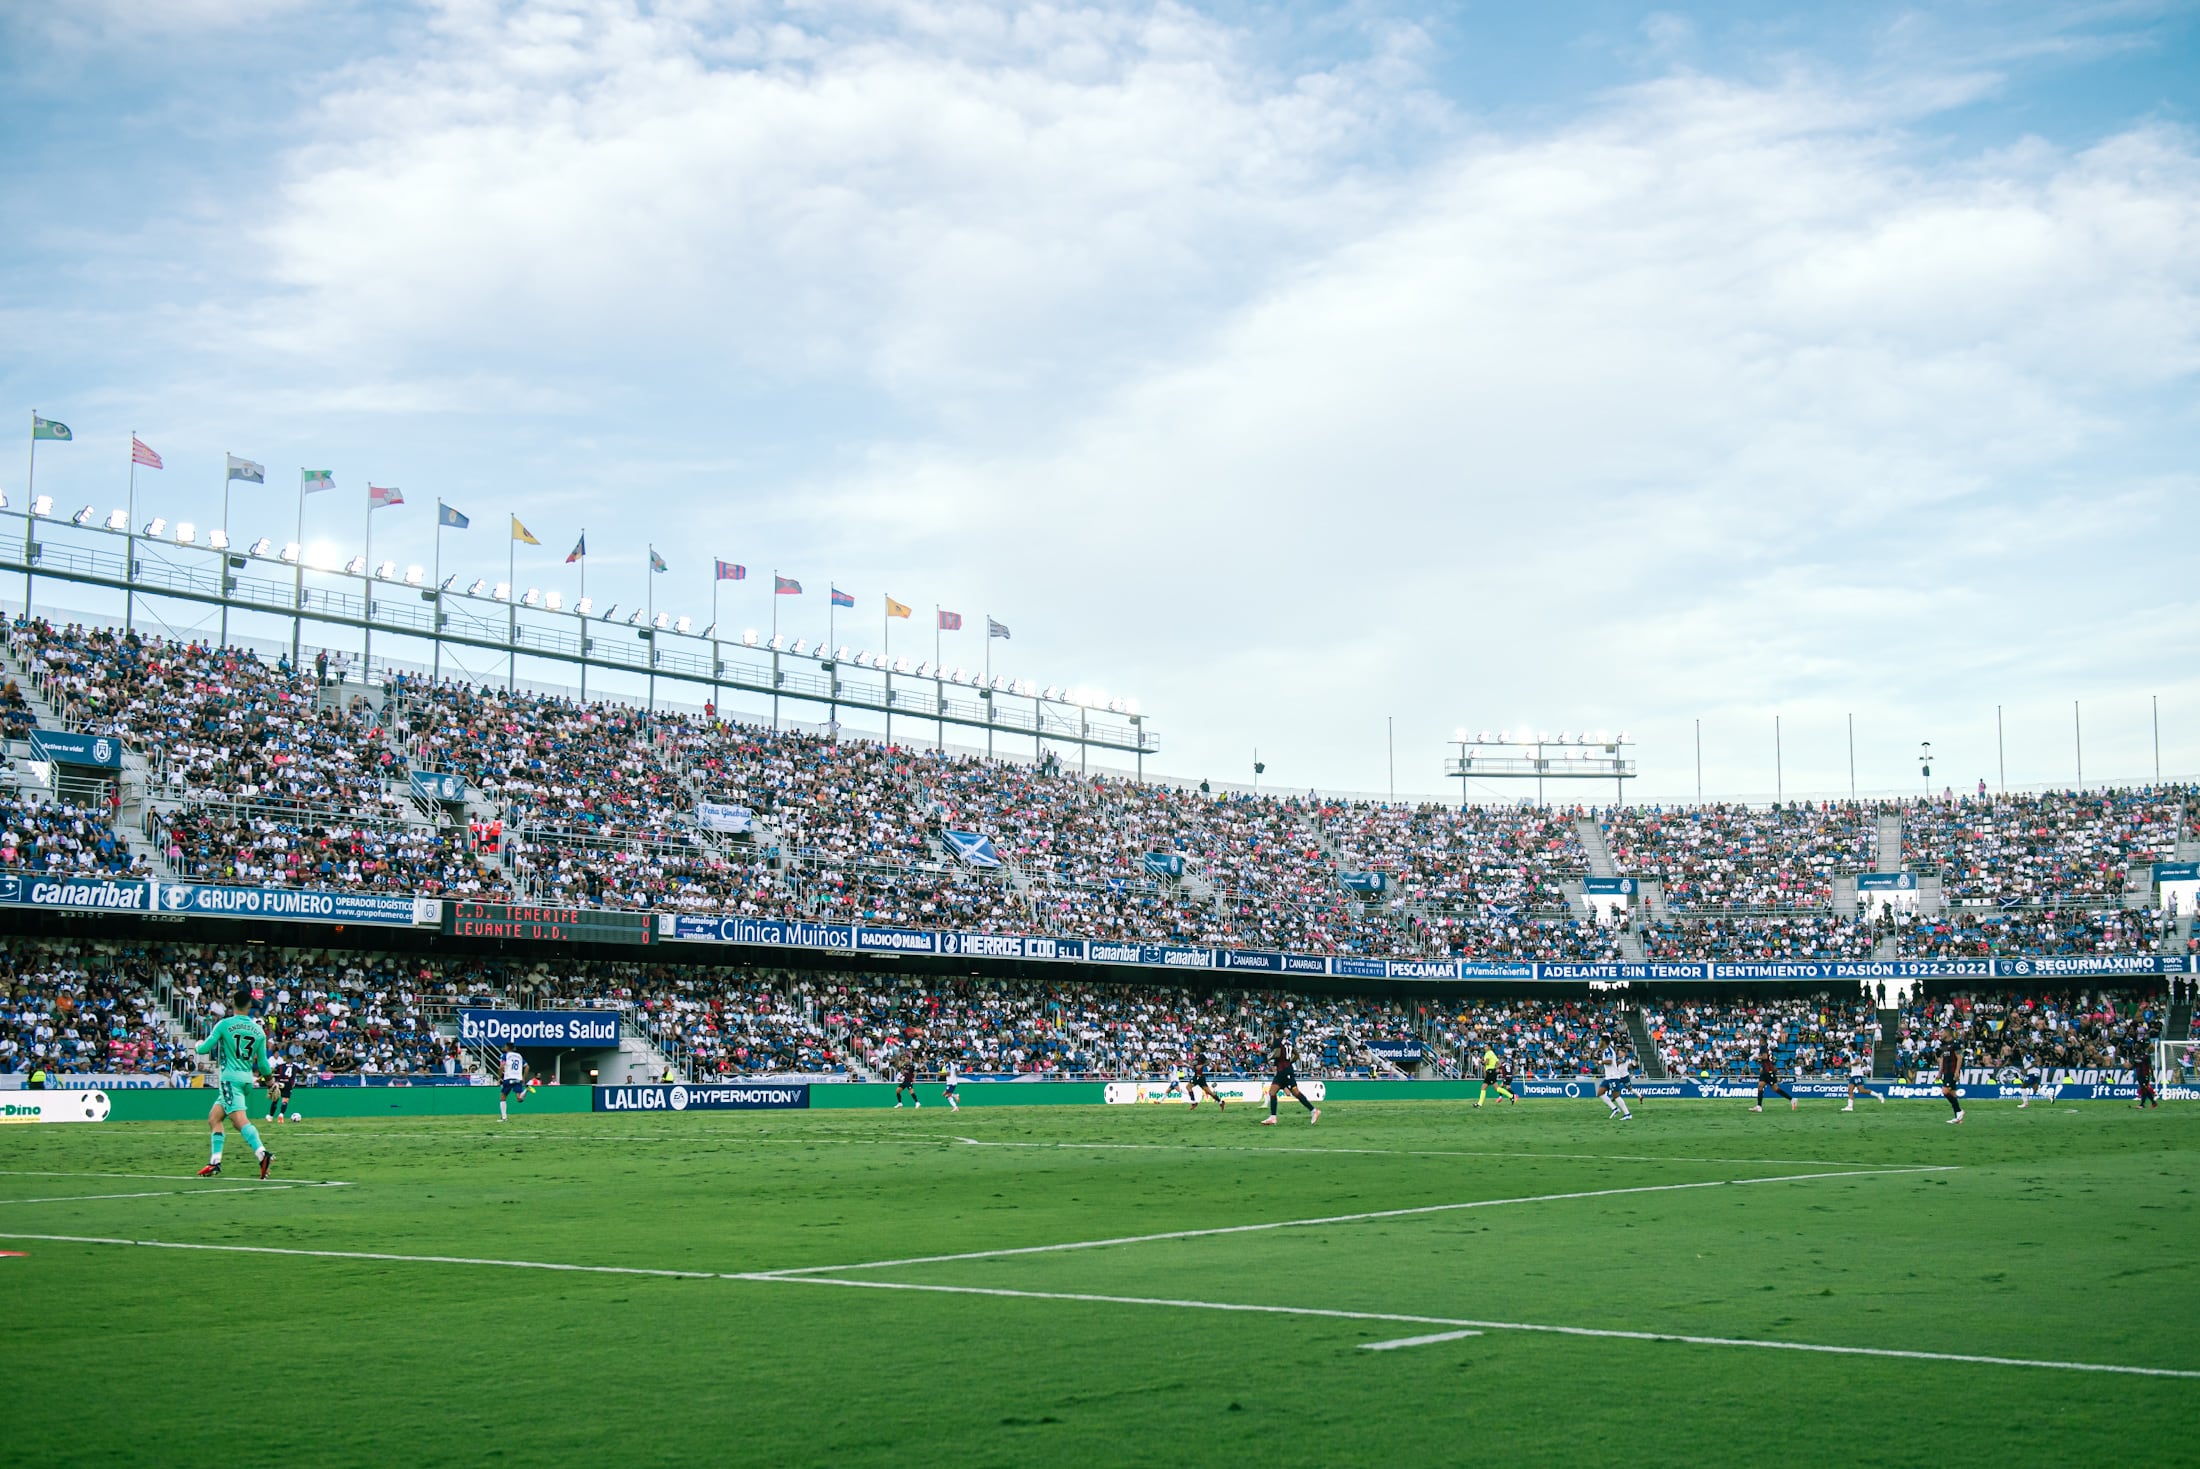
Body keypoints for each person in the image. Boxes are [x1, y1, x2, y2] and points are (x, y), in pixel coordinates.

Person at [194, 987, 274, 1179]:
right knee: (214, 1118)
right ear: (249, 1006)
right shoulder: (258, 1030)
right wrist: (270, 1082)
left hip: (230, 1080)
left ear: (232, 1004)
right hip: (246, 1079)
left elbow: (205, 1048)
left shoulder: (224, 1024)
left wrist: (197, 1045)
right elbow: (262, 1062)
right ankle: (214, 1162)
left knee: (239, 1122)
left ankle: (262, 1154)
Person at [1260, 1036, 1318, 1126]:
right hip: (1283, 1072)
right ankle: (1273, 1117)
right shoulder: (1288, 1043)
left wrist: (1267, 1058)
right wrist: (1289, 1062)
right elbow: (1296, 1055)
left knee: (1296, 1093)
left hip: (1285, 1072)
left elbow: (1276, 1053)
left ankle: (1314, 1110)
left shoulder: (1278, 1044)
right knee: (1272, 1092)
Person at [1752, 1041, 1796, 1114]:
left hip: (1769, 1071)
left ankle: (1792, 1099)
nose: (1759, 1041)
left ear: (1762, 1039)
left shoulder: (1763, 1047)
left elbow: (1765, 1057)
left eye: (1760, 1039)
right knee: (1760, 1086)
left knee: (1775, 1089)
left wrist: (1757, 1057)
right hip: (1765, 1071)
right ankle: (1759, 1106)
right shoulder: (1767, 1048)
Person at [1842, 1036, 1881, 1112]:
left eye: (1848, 1046)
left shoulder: (1854, 1053)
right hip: (1853, 1075)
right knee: (1850, 1090)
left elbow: (1858, 1061)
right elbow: (1860, 1063)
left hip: (1857, 1074)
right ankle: (1850, 1107)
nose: (1847, 1047)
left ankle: (1878, 1095)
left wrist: (1851, 1064)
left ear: (1851, 1047)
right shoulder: (1850, 1054)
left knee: (1861, 1090)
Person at [1599, 1041, 1633, 1120]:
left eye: (1601, 1041)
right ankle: (1615, 1109)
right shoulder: (1606, 1050)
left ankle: (1627, 1114)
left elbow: (1609, 1061)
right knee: (1600, 1093)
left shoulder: (1608, 1050)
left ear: (1604, 1042)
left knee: (1616, 1096)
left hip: (1613, 1076)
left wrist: (1600, 1062)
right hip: (1608, 1076)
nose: (1599, 1043)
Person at [1475, 1041, 1515, 1108]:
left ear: (1489, 1047)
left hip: (1490, 1072)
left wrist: (1481, 1061)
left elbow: (1486, 1063)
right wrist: (1494, 1069)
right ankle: (1511, 1096)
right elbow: (1499, 1064)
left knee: (1484, 1088)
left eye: (1486, 1046)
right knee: (1495, 1088)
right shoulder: (1493, 1053)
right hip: (1492, 1071)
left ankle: (1479, 1104)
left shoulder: (1487, 1053)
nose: (1485, 1047)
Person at [1186, 1045, 1225, 1110]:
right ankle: (1221, 1102)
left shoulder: (1201, 1055)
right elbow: (1195, 1066)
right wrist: (1188, 1065)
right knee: (1209, 1092)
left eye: (1195, 1047)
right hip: (1200, 1077)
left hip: (1198, 1076)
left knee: (1188, 1087)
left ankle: (1194, 1102)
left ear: (1198, 1048)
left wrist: (1201, 1065)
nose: (1193, 1048)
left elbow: (1208, 1061)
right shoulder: (1196, 1056)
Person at [1938, 1032, 1964, 1124]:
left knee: (1945, 1091)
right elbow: (1942, 1060)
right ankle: (1958, 1117)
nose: (1941, 1034)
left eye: (1942, 1032)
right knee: (1953, 1094)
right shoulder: (1943, 1045)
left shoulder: (1955, 1045)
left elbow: (1959, 1058)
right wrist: (1940, 1072)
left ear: (1948, 1033)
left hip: (1952, 1072)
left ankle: (1959, 1111)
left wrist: (1957, 1071)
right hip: (1946, 1072)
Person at [265, 1057, 298, 1122]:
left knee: (275, 1100)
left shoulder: (281, 1066)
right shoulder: (295, 1066)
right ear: (292, 1060)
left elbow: (273, 1070)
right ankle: (281, 1115)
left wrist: (267, 1075)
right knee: (285, 1100)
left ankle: (271, 1117)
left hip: (280, 1083)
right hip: (289, 1084)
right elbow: (303, 1072)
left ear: (286, 1060)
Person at [499, 1046, 526, 1121]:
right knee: (519, 1099)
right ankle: (526, 1090)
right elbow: (527, 1066)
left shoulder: (505, 1055)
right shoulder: (519, 1056)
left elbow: (501, 1067)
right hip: (518, 1078)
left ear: (507, 1048)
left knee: (503, 1097)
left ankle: (504, 1118)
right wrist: (523, 1078)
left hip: (508, 1078)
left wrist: (499, 1078)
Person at [2133, 1046, 2159, 1110]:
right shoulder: (2136, 1056)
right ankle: (2153, 1103)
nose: (2136, 1049)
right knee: (2143, 1089)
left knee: (2144, 1089)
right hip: (2139, 1075)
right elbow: (2135, 1065)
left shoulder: (2146, 1057)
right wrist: (2127, 1070)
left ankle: (2143, 1104)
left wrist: (2153, 1076)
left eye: (2137, 1047)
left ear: (2141, 1049)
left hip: (2145, 1075)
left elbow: (2150, 1066)